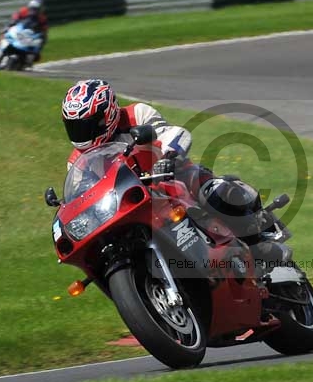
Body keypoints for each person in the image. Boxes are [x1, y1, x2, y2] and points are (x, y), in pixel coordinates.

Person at [61, 79, 291, 269]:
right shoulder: (77, 162)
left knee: (216, 192)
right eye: (75, 126)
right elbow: (82, 195)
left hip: (176, 178)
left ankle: (259, 233)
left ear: (107, 115)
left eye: (87, 125)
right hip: (132, 205)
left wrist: (168, 158)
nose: (81, 133)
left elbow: (174, 133)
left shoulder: (136, 114)